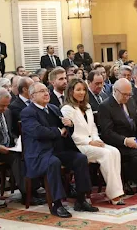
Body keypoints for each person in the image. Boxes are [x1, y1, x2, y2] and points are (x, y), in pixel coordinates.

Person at [21, 82, 98, 218]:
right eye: (42, 91)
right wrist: (58, 131)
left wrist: (70, 124)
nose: (46, 93)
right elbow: (38, 132)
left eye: (46, 90)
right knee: (53, 162)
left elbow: (65, 129)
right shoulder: (28, 112)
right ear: (32, 96)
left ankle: (81, 200)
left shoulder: (53, 108)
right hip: (39, 153)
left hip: (56, 150)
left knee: (80, 158)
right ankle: (57, 205)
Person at [61, 78, 124, 205]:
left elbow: (93, 127)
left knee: (115, 151)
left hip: (92, 141)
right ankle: (114, 195)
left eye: (83, 90)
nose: (82, 92)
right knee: (106, 154)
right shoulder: (67, 109)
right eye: (78, 90)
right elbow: (71, 134)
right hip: (79, 145)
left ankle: (115, 190)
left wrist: (96, 140)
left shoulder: (87, 107)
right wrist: (90, 142)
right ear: (70, 92)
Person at [98, 78, 137, 195]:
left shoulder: (130, 101)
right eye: (125, 95)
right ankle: (126, 180)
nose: (127, 97)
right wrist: (125, 141)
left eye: (129, 94)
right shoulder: (105, 106)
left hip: (135, 139)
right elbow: (107, 133)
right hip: (119, 142)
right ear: (115, 91)